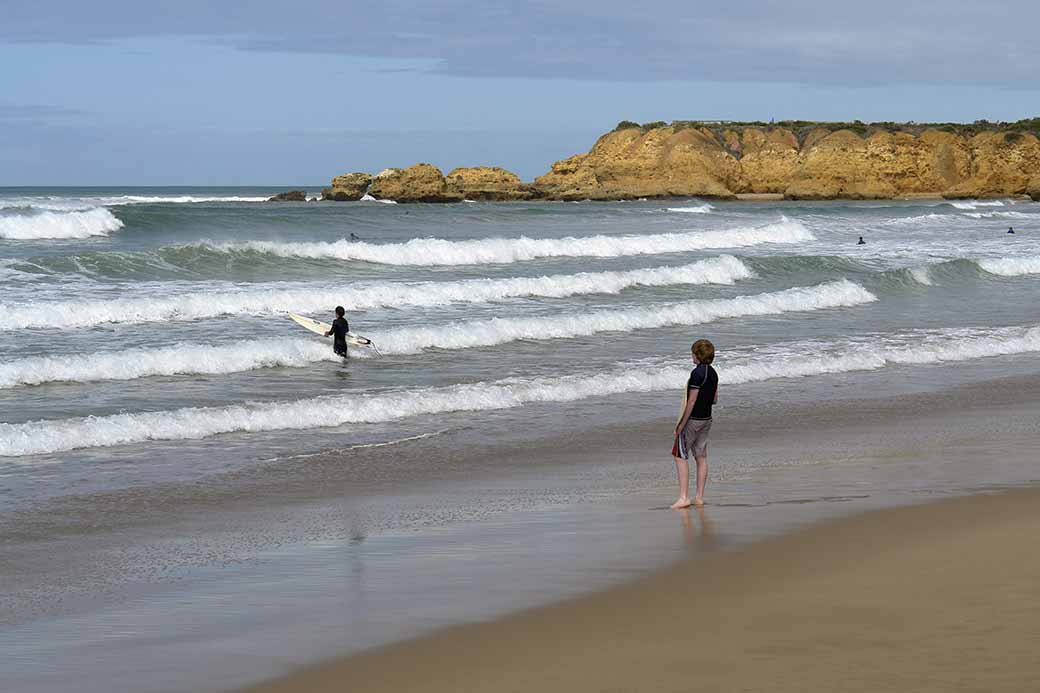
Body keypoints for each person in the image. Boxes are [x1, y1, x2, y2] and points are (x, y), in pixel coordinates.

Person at [671, 339, 719, 509]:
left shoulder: (697, 374)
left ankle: (683, 497)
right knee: (701, 457)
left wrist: (681, 425)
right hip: (707, 419)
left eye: (692, 353)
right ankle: (699, 497)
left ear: (697, 355)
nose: (691, 356)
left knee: (680, 456)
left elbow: (691, 401)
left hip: (693, 420)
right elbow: (714, 399)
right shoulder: (713, 373)